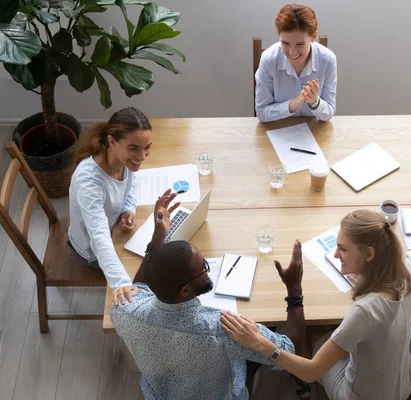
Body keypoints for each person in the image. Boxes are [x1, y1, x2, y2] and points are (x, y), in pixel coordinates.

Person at [222, 210, 411, 400]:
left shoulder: (365, 311)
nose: (336, 254)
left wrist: (259, 343)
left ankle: (305, 391)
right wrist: (370, 280)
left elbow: (311, 371)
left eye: (343, 249)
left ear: (369, 254)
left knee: (317, 334)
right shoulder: (409, 268)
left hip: (361, 395)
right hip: (403, 381)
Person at [111, 190, 303, 400]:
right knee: (268, 330)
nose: (207, 267)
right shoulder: (227, 330)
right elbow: (290, 350)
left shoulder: (123, 310)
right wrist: (294, 290)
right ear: (185, 290)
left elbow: (139, 285)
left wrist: (158, 239)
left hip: (161, 392)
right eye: (204, 267)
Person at [69, 107, 152, 306]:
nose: (142, 156)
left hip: (113, 229)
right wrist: (121, 283)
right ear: (112, 141)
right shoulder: (89, 180)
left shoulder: (122, 160)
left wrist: (128, 209)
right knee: (153, 266)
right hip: (91, 250)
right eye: (134, 148)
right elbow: (98, 237)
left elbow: (130, 185)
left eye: (147, 147)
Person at [255, 4, 337, 122]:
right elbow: (262, 112)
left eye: (300, 44)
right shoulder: (269, 59)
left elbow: (329, 112)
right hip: (277, 129)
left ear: (313, 36)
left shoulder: (328, 60)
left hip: (314, 131)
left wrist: (315, 102)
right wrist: (293, 104)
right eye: (285, 43)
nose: (293, 53)